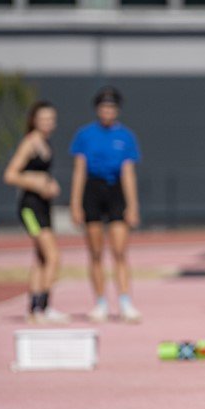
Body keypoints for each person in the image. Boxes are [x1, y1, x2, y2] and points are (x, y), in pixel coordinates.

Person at [70, 87, 142, 323]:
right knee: (95, 251)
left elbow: (128, 172)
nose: (107, 111)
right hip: (93, 189)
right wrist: (75, 203)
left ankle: (125, 301)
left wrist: (132, 205)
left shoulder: (126, 136)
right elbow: (79, 170)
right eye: (103, 107)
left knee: (120, 251)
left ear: (117, 110)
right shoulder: (85, 135)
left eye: (111, 107)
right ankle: (100, 302)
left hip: (116, 191)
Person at [3, 101, 69, 323]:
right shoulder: (30, 143)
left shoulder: (45, 143)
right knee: (53, 257)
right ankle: (43, 305)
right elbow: (11, 174)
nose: (48, 123)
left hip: (43, 206)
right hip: (30, 208)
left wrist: (49, 184)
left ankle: (33, 309)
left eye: (51, 119)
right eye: (43, 119)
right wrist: (37, 182)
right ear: (34, 120)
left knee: (41, 258)